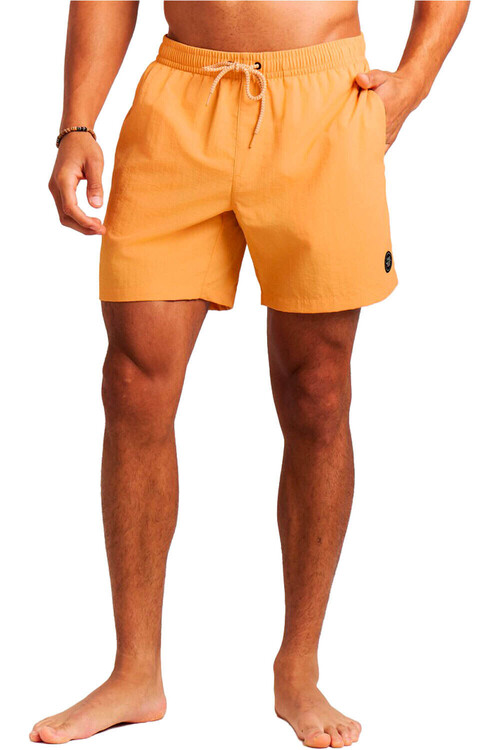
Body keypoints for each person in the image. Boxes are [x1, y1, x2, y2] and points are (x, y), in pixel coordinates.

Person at [32, 1, 469, 746]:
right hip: (181, 98)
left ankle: (299, 669)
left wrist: (415, 82)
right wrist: (78, 123)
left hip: (325, 100)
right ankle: (135, 672)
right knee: (133, 381)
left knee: (318, 390)